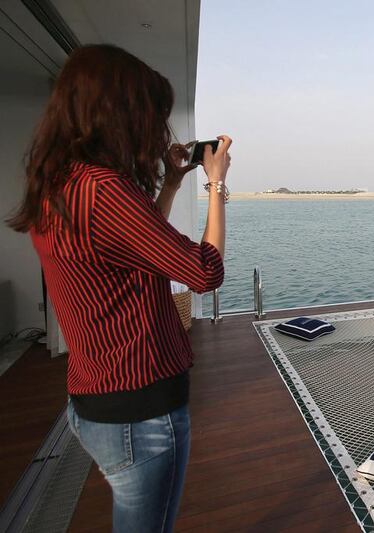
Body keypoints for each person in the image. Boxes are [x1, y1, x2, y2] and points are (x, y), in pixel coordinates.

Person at [6, 45, 230, 532]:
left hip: (96, 395)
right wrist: (216, 187)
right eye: (151, 114)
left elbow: (133, 247)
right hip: (140, 408)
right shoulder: (105, 188)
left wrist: (170, 184)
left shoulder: (59, 184)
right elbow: (205, 271)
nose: (157, 129)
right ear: (120, 113)